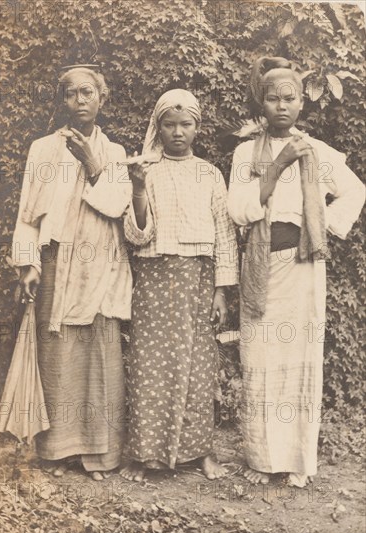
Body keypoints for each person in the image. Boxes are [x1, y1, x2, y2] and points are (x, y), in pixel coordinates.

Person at [227, 57, 365, 487]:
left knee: (299, 359)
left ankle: (297, 461)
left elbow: (356, 190)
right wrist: (280, 162)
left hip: (303, 268)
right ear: (260, 102)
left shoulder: (316, 151)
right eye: (272, 98)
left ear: (302, 102)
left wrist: (319, 224)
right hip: (260, 264)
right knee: (260, 358)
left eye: (290, 98)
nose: (281, 106)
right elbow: (237, 209)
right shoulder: (245, 152)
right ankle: (261, 458)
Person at [12, 66, 132, 480]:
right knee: (57, 354)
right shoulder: (42, 149)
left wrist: (92, 162)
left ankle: (98, 453)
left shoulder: (115, 153)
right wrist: (28, 263)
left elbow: (118, 206)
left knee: (99, 354)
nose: (80, 101)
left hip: (101, 265)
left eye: (87, 93)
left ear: (102, 98)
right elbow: (29, 212)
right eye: (71, 94)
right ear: (62, 101)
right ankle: (58, 451)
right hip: (56, 263)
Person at [121, 89, 239, 481]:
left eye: (185, 124)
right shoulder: (145, 170)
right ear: (158, 127)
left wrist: (222, 290)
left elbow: (224, 234)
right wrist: (137, 187)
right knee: (149, 364)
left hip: (198, 280)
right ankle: (144, 455)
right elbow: (138, 235)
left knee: (198, 367)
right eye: (168, 125)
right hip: (155, 278)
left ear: (197, 128)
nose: (177, 132)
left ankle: (200, 452)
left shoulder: (209, 173)